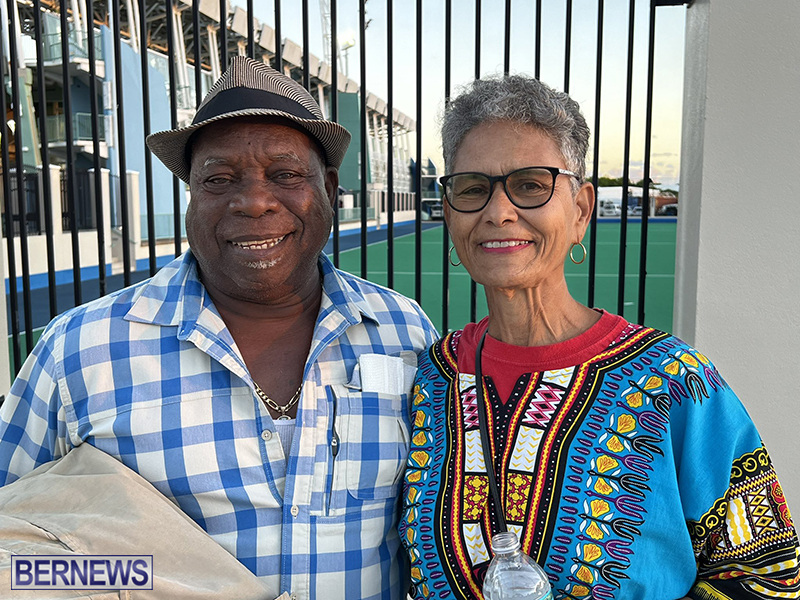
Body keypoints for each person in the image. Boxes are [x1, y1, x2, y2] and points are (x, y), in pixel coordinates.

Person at [0, 57, 438, 600]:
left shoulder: (403, 330)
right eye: (218, 179)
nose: (253, 202)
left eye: (285, 175)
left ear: (327, 187)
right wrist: (137, 579)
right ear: (192, 195)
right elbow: (13, 549)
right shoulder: (79, 349)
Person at [398, 75, 799, 600]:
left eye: (530, 185)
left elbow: (768, 576)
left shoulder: (676, 382)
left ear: (581, 210)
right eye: (473, 188)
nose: (498, 211)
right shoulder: (431, 377)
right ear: (450, 213)